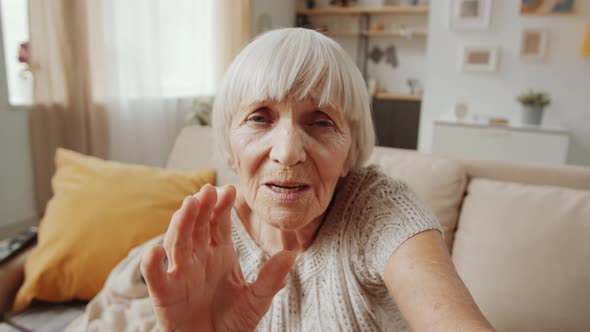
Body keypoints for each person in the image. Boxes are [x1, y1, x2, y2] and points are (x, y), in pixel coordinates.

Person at [68, 28, 495, 331]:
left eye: (322, 122)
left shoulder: (378, 209)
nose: (288, 151)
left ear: (351, 148)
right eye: (259, 118)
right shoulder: (213, 236)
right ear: (231, 144)